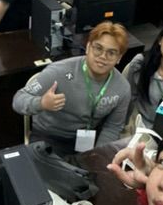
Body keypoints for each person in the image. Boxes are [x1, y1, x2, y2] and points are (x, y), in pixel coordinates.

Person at [12, 21, 130, 155]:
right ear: (88, 47)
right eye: (98, 48)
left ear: (119, 58)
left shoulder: (122, 87)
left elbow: (112, 127)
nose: (103, 56)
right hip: (50, 136)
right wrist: (41, 103)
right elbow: (18, 100)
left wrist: (97, 154)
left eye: (111, 53)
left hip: (89, 139)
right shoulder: (58, 72)